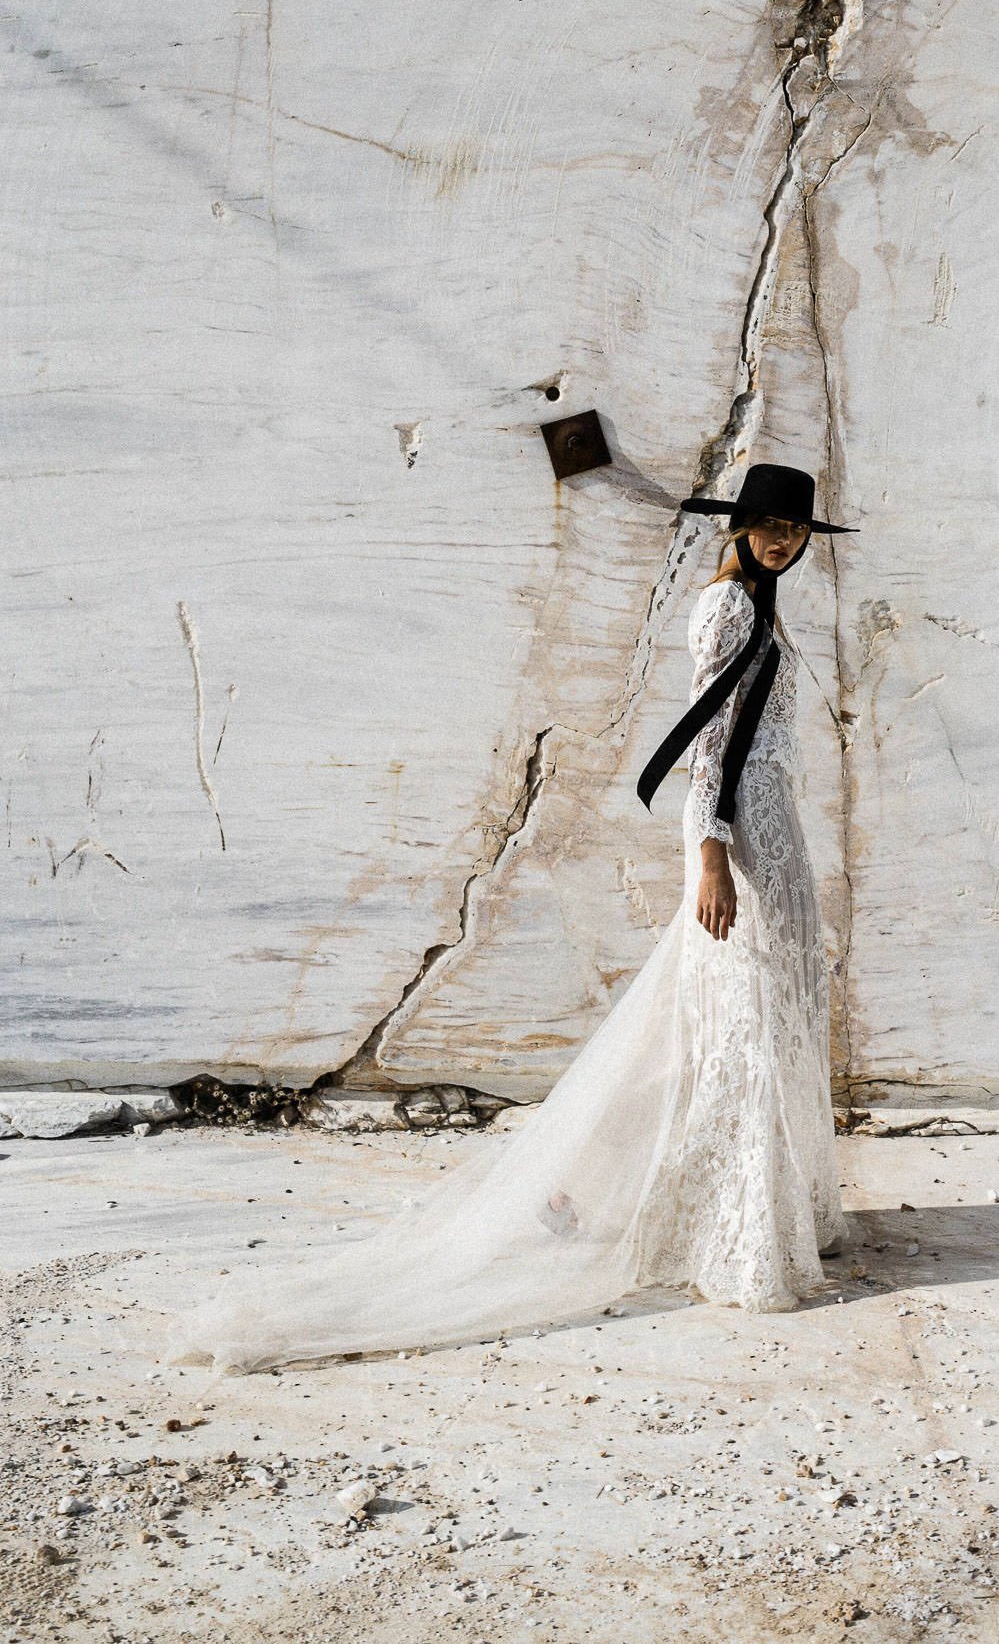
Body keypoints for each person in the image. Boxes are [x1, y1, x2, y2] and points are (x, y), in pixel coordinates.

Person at [168, 461, 854, 1371]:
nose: (782, 540)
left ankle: (750, 1203)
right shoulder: (726, 608)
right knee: (731, 1026)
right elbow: (705, 749)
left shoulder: (765, 604)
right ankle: (650, 1205)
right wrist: (711, 857)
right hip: (743, 841)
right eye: (768, 524)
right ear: (738, 526)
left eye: (795, 530)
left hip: (778, 827)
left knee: (759, 1023)